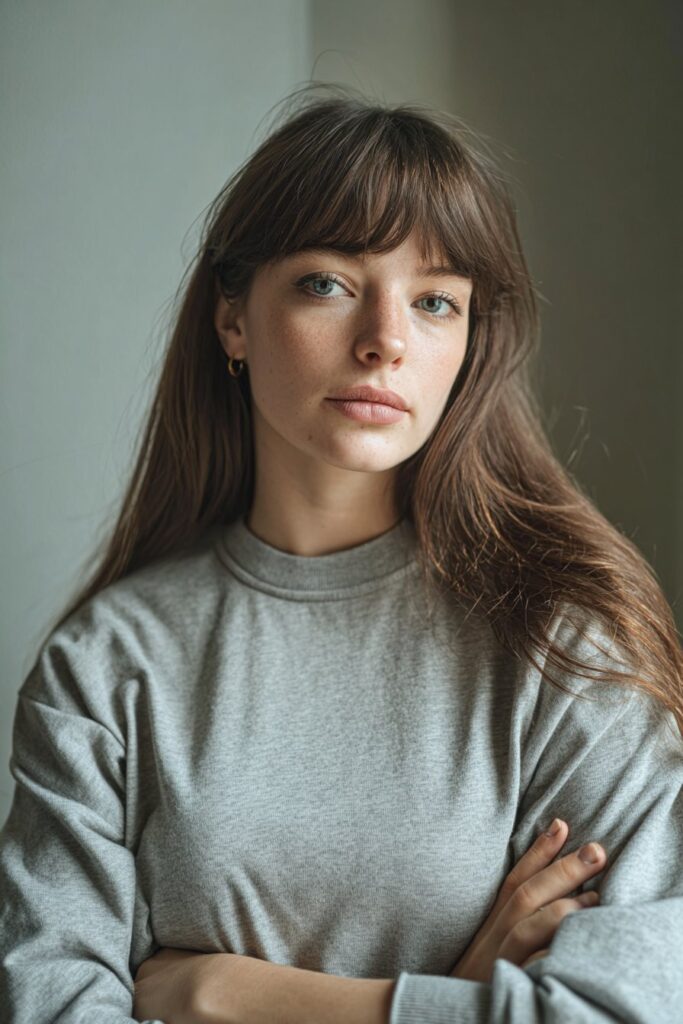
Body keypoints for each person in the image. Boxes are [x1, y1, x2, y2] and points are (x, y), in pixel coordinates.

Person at [1, 81, 682, 1024]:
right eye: (329, 283)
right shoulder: (106, 667)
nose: (385, 343)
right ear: (232, 318)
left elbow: (626, 1010)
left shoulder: (563, 651)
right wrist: (467, 995)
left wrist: (224, 992)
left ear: (470, 343)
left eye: (436, 302)